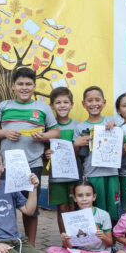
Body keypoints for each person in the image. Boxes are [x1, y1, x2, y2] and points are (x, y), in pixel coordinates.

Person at [0, 67, 60, 246]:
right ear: (13, 86)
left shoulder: (42, 107)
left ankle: (31, 245)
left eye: (28, 84)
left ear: (34, 86)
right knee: (5, 205)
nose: (24, 87)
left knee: (31, 209)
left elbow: (56, 132)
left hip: (32, 164)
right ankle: (4, 242)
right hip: (7, 165)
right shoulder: (4, 106)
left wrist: (44, 136)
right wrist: (4, 133)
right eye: (20, 84)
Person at [45, 180, 113, 253]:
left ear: (94, 197)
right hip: (78, 252)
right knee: (50, 251)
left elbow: (109, 243)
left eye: (88, 195)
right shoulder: (71, 217)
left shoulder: (103, 215)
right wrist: (65, 239)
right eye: (80, 196)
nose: (84, 199)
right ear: (75, 198)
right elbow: (69, 246)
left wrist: (103, 237)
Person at [76, 85, 121, 224]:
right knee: (96, 211)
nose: (94, 104)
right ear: (83, 104)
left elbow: (121, 143)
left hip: (112, 173)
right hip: (93, 173)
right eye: (90, 101)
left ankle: (112, 243)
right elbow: (77, 155)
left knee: (113, 212)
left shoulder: (112, 121)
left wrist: (115, 127)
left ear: (104, 102)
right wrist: (76, 144)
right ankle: (97, 242)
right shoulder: (80, 127)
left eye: (97, 100)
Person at [43, 87, 82, 234]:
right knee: (62, 208)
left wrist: (77, 146)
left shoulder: (78, 126)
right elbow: (43, 151)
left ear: (72, 104)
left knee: (74, 207)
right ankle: (66, 243)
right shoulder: (48, 128)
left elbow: (83, 153)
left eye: (66, 102)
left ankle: (77, 240)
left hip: (75, 175)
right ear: (52, 105)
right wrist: (46, 154)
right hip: (56, 177)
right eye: (58, 102)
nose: (62, 105)